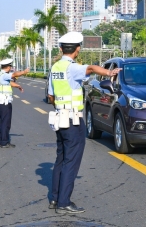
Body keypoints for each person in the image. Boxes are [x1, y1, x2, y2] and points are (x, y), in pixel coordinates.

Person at [48, 32, 121, 214]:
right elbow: (91, 69)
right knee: (71, 161)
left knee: (61, 158)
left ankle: (56, 197)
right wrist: (109, 73)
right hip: (72, 121)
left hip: (60, 118)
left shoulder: (55, 67)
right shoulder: (72, 67)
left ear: (61, 49)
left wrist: (61, 106)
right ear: (77, 49)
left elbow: (50, 96)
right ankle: (64, 203)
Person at [0, 59, 30, 148]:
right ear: (7, 67)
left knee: (1, 121)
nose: (11, 68)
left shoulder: (0, 75)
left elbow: (9, 83)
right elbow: (14, 75)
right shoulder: (4, 75)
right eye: (10, 66)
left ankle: (0, 140)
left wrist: (18, 86)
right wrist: (24, 72)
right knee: (6, 122)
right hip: (5, 101)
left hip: (0, 101)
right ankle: (4, 142)